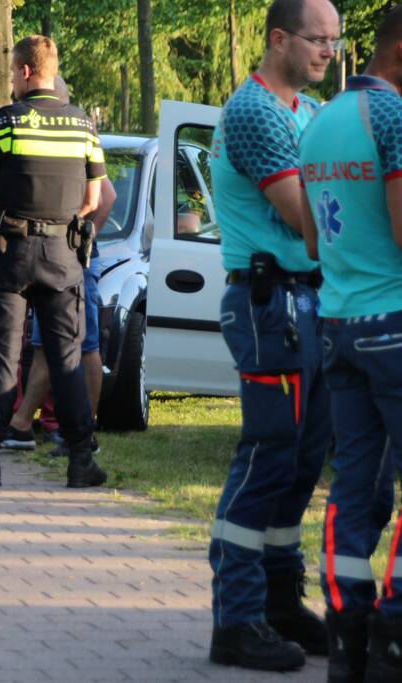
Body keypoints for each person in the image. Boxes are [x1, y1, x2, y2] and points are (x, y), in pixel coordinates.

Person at [207, 0, 338, 671]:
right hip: (269, 305)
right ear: (278, 38)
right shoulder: (254, 111)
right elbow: (305, 220)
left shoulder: (309, 116)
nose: (328, 53)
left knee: (301, 458)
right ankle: (234, 616)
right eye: (317, 40)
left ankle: (280, 602)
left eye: (336, 41)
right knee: (267, 454)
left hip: (306, 304)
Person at [0, 34, 107, 489]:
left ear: (23, 71)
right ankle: (81, 460)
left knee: (3, 357)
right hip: (63, 257)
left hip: (10, 253)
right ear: (52, 70)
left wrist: (7, 214)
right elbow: (93, 198)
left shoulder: (6, 121)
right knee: (66, 359)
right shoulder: (83, 127)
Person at [297, 7, 402, 680]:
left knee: (353, 486)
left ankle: (346, 637)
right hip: (393, 322)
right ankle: (394, 631)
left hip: (337, 324)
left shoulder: (317, 121)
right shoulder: (392, 119)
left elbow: (310, 241)